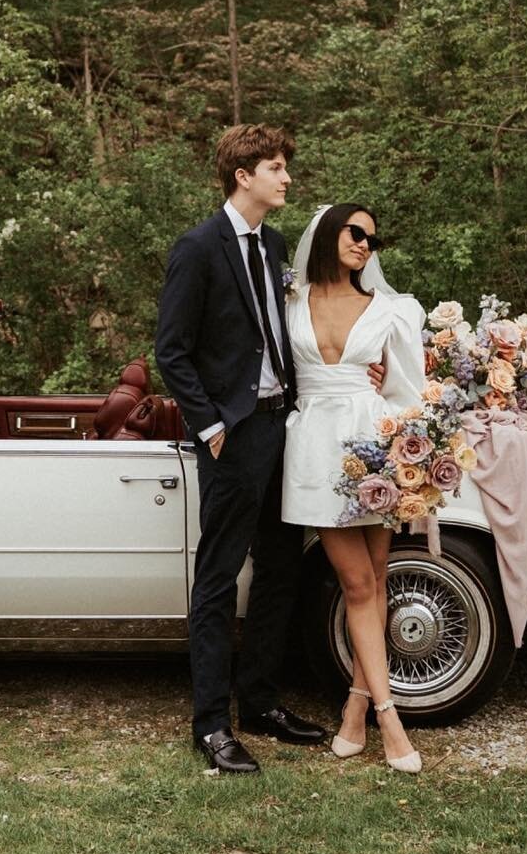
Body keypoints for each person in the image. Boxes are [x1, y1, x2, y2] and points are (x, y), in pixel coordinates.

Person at [155, 124, 331, 774]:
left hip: (280, 426)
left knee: (282, 567)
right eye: (277, 168)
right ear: (243, 177)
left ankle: (260, 703)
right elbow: (171, 350)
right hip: (232, 435)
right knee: (219, 578)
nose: (286, 178)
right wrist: (209, 425)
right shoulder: (198, 249)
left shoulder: (275, 242)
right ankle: (209, 726)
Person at [283, 203, 427, 774]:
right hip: (315, 452)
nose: (366, 243)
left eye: (373, 237)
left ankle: (358, 706)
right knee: (356, 580)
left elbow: (406, 390)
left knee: (375, 580)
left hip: (373, 452)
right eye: (356, 231)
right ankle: (388, 717)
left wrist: (401, 447)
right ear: (326, 232)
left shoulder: (389, 310)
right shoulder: (288, 302)